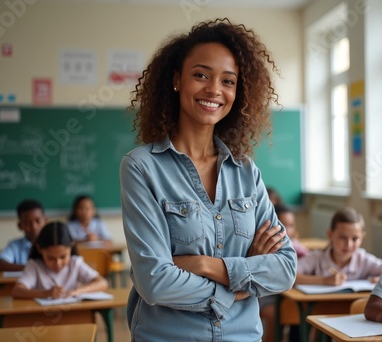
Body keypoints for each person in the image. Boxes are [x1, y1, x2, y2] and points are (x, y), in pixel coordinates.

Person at [120, 18, 297, 341]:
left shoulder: (246, 171)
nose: (214, 90)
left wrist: (202, 264)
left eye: (228, 81)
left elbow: (285, 269)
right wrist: (240, 282)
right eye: (201, 75)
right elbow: (155, 283)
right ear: (177, 80)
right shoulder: (141, 167)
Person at [12, 221, 108, 299]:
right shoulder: (34, 266)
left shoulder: (75, 263)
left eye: (63, 257)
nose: (58, 263)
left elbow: (102, 283)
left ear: (71, 247)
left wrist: (78, 291)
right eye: (51, 258)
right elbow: (17, 290)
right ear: (39, 249)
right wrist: (46, 293)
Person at [296, 207, 382, 285]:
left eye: (355, 239)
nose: (349, 244)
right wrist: (324, 280)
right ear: (330, 235)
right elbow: (290, 275)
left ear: (362, 237)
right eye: (343, 238)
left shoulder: (363, 259)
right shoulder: (316, 258)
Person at [260, 203, 310, 342]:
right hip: (267, 297)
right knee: (278, 314)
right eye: (282, 224)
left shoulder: (300, 250)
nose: (287, 230)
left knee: (302, 313)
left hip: (292, 297)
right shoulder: (265, 249)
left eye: (291, 225)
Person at [0, 199, 47, 272]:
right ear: (20, 226)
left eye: (38, 221)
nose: (34, 227)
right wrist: (31, 269)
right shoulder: (15, 246)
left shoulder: (53, 243)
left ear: (45, 221)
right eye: (28, 223)